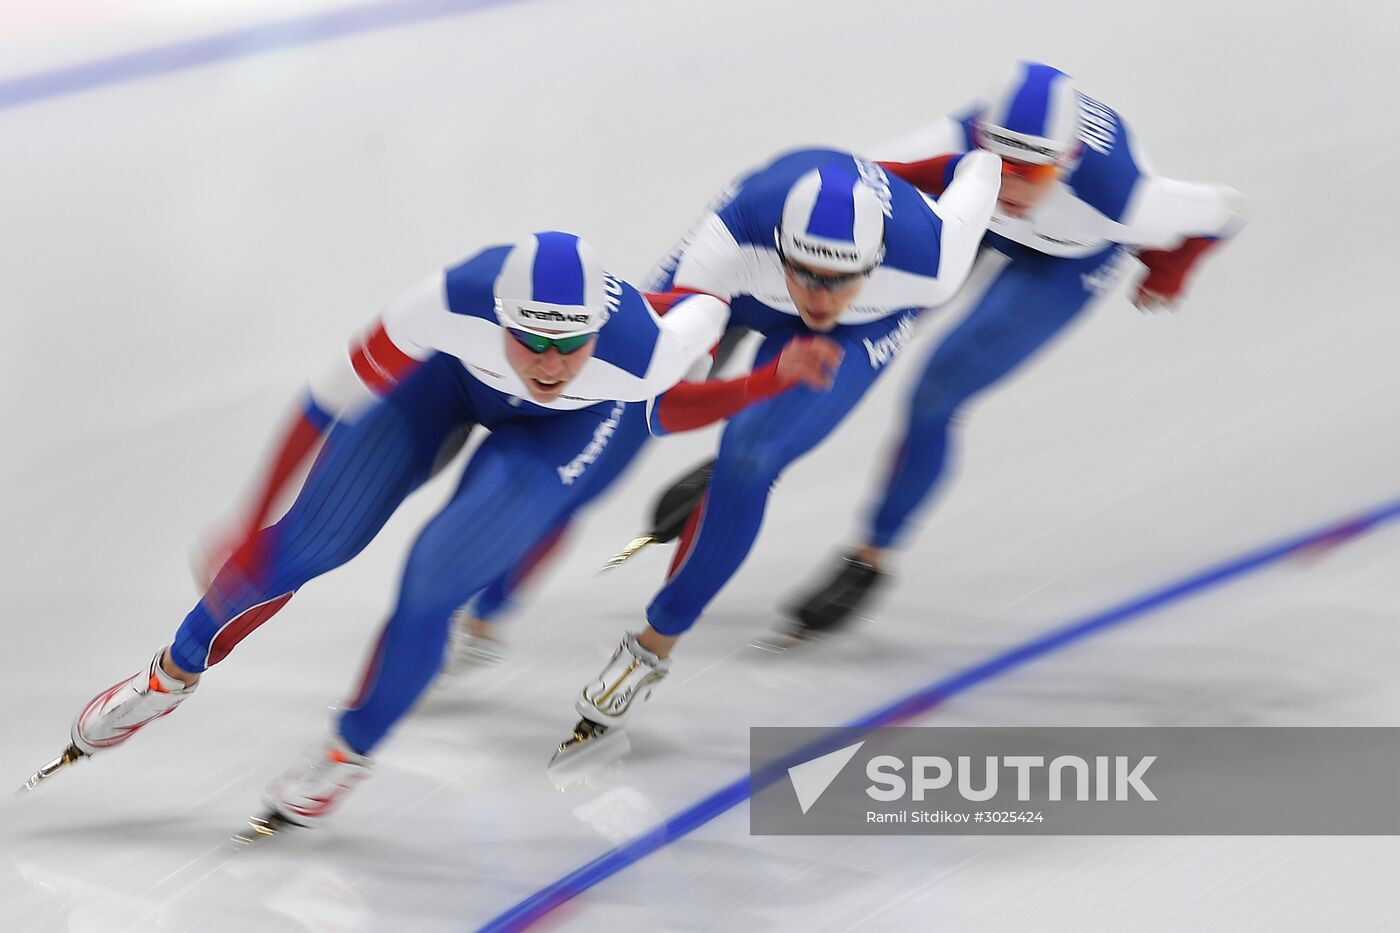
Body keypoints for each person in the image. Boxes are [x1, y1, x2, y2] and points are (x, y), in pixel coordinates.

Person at [27, 231, 837, 830]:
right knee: (306, 542)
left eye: (570, 345)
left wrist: (768, 378)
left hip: (553, 438)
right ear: (500, 318)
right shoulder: (449, 299)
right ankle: (169, 675)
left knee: (431, 582)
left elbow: (672, 406)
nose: (551, 365)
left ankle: (346, 750)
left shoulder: (646, 346)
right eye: (533, 342)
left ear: (597, 331)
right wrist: (249, 518)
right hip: (444, 386)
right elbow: (324, 402)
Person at [552, 145, 1003, 761]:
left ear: (872, 263)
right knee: (632, 393)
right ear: (784, 251)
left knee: (750, 458)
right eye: (807, 274)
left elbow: (979, 165)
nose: (819, 296)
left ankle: (651, 648)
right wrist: (752, 385)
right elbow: (668, 406)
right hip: (745, 283)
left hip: (864, 323)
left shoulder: (934, 260)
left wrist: (891, 174)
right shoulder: (728, 241)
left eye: (840, 278)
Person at [783, 61, 1249, 638]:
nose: (1014, 188)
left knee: (935, 395)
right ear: (979, 143)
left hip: (1069, 259)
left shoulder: (1126, 200)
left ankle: (869, 558)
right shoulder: (958, 146)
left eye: (1034, 172)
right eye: (1002, 167)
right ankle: (758, 454)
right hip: (975, 219)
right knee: (853, 324)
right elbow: (842, 181)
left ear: (1069, 160)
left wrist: (1175, 265)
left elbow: (1226, 211)